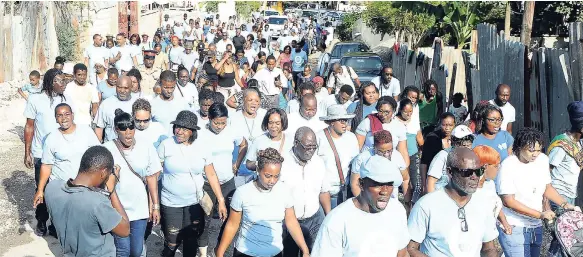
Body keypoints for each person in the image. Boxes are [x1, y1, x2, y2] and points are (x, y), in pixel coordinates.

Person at [496, 128, 582, 257]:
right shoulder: (508, 165)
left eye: (538, 149)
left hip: (535, 226)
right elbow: (508, 201)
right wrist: (540, 214)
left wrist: (565, 204)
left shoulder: (542, 160)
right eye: (531, 150)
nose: (535, 154)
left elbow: (546, 187)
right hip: (514, 226)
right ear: (519, 147)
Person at [215, 148, 311, 257]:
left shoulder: (284, 191)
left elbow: (292, 222)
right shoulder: (243, 193)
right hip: (246, 254)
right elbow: (232, 225)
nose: (272, 181)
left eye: (276, 176)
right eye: (268, 176)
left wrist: (305, 249)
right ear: (258, 170)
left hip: (275, 253)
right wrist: (220, 252)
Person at [157, 110, 227, 257]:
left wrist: (221, 200)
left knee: (191, 238)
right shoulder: (166, 145)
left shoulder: (202, 147)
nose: (179, 131)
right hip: (171, 202)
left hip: (194, 202)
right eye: (177, 127)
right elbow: (156, 173)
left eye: (184, 128)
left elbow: (211, 174)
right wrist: (154, 203)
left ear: (193, 131)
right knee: (172, 241)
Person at [407, 148, 499, 257]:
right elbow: (409, 248)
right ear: (450, 172)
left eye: (479, 171)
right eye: (467, 172)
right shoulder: (426, 205)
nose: (474, 177)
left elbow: (489, 248)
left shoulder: (484, 204)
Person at [312, 155, 409, 257]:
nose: (385, 191)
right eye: (378, 184)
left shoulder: (397, 210)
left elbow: (402, 253)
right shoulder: (337, 220)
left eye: (389, 184)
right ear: (361, 184)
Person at [44, 146, 130, 256]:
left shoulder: (52, 188)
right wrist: (112, 190)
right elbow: (125, 230)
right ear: (103, 173)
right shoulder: (97, 203)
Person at [32, 103, 100, 234]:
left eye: (67, 114)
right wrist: (40, 190)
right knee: (64, 223)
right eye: (60, 115)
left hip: (84, 187)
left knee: (81, 221)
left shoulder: (86, 132)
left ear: (73, 115)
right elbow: (46, 165)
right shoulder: (51, 138)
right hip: (62, 188)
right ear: (56, 118)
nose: (64, 118)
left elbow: (97, 154)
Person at [103, 109, 161, 257]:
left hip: (139, 208)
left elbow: (151, 177)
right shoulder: (107, 149)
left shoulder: (146, 146)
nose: (128, 132)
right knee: (123, 250)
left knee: (136, 250)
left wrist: (155, 206)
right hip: (117, 207)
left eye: (131, 127)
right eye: (123, 128)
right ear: (116, 130)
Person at [24, 69, 73, 235]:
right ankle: (42, 221)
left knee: (62, 189)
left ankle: (57, 223)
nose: (64, 84)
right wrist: (27, 151)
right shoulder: (35, 99)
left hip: (62, 154)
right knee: (42, 189)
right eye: (61, 81)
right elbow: (29, 126)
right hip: (41, 154)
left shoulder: (66, 99)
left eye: (65, 81)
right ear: (51, 82)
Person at [197, 103, 247, 256]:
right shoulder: (201, 134)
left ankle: (219, 249)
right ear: (209, 119)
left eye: (223, 123)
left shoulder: (231, 131)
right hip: (206, 183)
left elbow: (244, 144)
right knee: (204, 220)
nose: (219, 126)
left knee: (229, 218)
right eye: (216, 122)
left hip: (228, 182)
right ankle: (203, 253)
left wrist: (237, 163)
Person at [280, 127, 330, 257]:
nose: (311, 151)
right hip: (288, 223)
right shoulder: (282, 163)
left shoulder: (318, 163)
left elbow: (324, 192)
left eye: (314, 147)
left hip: (315, 220)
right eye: (308, 147)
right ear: (296, 143)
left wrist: (329, 216)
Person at [548, 101, 583, 256]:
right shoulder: (561, 145)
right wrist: (545, 202)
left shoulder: (577, 143)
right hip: (559, 195)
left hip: (570, 195)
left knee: (566, 236)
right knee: (562, 236)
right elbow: (546, 171)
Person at [315, 104, 360, 209]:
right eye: (341, 120)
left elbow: (355, 164)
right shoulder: (318, 138)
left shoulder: (351, 138)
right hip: (325, 193)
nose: (345, 124)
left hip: (346, 191)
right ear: (331, 122)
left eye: (346, 120)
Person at [350, 130, 409, 203]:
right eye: (381, 151)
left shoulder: (397, 156)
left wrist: (407, 202)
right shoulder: (362, 158)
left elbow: (405, 179)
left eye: (389, 151)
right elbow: (355, 184)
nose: (386, 155)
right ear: (374, 147)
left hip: (392, 203)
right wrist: (364, 204)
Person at [355, 96, 409, 166]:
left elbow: (403, 151)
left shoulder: (399, 127)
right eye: (380, 111)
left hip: (389, 165)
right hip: (368, 165)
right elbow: (356, 149)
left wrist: (405, 171)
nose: (383, 115)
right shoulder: (367, 123)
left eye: (387, 112)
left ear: (394, 111)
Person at [472, 145, 512, 236]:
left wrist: (504, 222)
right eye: (496, 166)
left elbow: (495, 205)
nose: (498, 169)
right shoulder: (470, 191)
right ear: (485, 167)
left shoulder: (490, 184)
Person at [229, 89, 267, 184]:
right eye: (250, 100)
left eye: (257, 101)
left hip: (257, 171)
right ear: (244, 100)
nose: (254, 103)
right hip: (237, 170)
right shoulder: (233, 118)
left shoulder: (264, 116)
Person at [426, 125, 475, 193]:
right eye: (463, 145)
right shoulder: (443, 156)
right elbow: (431, 181)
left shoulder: (472, 157)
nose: (466, 148)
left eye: (469, 145)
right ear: (453, 143)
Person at [395, 98, 424, 203]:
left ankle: (413, 201)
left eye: (410, 111)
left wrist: (422, 150)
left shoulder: (414, 120)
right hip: (399, 156)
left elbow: (419, 137)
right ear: (400, 110)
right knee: (401, 179)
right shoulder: (394, 121)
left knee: (415, 179)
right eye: (406, 111)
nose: (408, 114)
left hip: (413, 154)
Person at [419, 112, 455, 194]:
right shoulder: (432, 139)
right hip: (434, 180)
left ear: (454, 125)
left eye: (450, 125)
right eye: (444, 125)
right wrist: (424, 184)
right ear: (440, 124)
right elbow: (424, 162)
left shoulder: (457, 140)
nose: (447, 128)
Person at [94, 76, 137, 142]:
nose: (122, 91)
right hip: (111, 147)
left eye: (126, 88)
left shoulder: (136, 104)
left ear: (131, 87)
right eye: (119, 87)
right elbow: (99, 128)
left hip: (132, 147)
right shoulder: (106, 104)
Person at [151, 71, 190, 135]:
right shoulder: (152, 105)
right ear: (160, 84)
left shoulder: (182, 103)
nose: (169, 91)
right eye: (166, 87)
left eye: (172, 87)